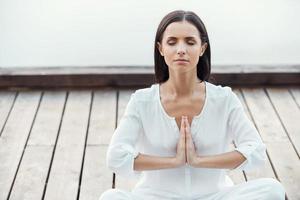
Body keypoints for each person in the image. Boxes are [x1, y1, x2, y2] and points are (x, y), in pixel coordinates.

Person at [99, 10, 285, 200]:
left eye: (190, 42)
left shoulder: (224, 99)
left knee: (272, 189)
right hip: (154, 197)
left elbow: (255, 150)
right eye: (172, 42)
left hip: (215, 195)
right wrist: (174, 161)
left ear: (202, 48)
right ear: (161, 48)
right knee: (110, 197)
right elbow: (116, 156)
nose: (181, 49)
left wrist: (198, 161)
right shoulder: (142, 101)